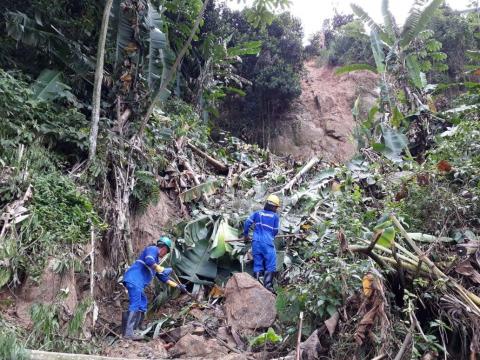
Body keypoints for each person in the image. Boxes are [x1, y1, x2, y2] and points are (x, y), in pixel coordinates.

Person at [122, 236, 188, 340]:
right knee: (135, 303)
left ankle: (137, 327)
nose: (164, 255)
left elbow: (163, 278)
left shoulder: (156, 262)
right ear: (164, 248)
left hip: (137, 283)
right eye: (166, 252)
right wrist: (161, 268)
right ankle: (128, 333)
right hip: (134, 279)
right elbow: (149, 260)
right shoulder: (152, 249)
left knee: (143, 303)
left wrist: (178, 286)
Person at [242, 194, 280, 292]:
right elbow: (275, 231)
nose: (276, 209)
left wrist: (246, 235)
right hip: (267, 243)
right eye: (276, 207)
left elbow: (247, 223)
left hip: (256, 242)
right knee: (271, 264)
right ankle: (268, 286)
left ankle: (257, 285)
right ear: (273, 207)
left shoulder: (257, 213)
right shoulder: (275, 217)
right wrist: (271, 235)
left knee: (258, 264)